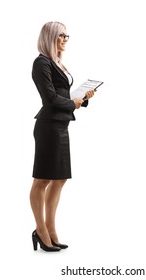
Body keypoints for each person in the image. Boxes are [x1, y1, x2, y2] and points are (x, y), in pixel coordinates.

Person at [29, 21, 96, 252]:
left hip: (61, 126)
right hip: (48, 127)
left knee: (59, 178)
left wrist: (82, 99)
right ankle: (41, 229)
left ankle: (50, 228)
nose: (65, 40)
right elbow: (49, 98)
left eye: (67, 36)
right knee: (42, 179)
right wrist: (72, 102)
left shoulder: (56, 62)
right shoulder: (41, 63)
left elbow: (61, 96)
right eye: (61, 36)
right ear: (50, 37)